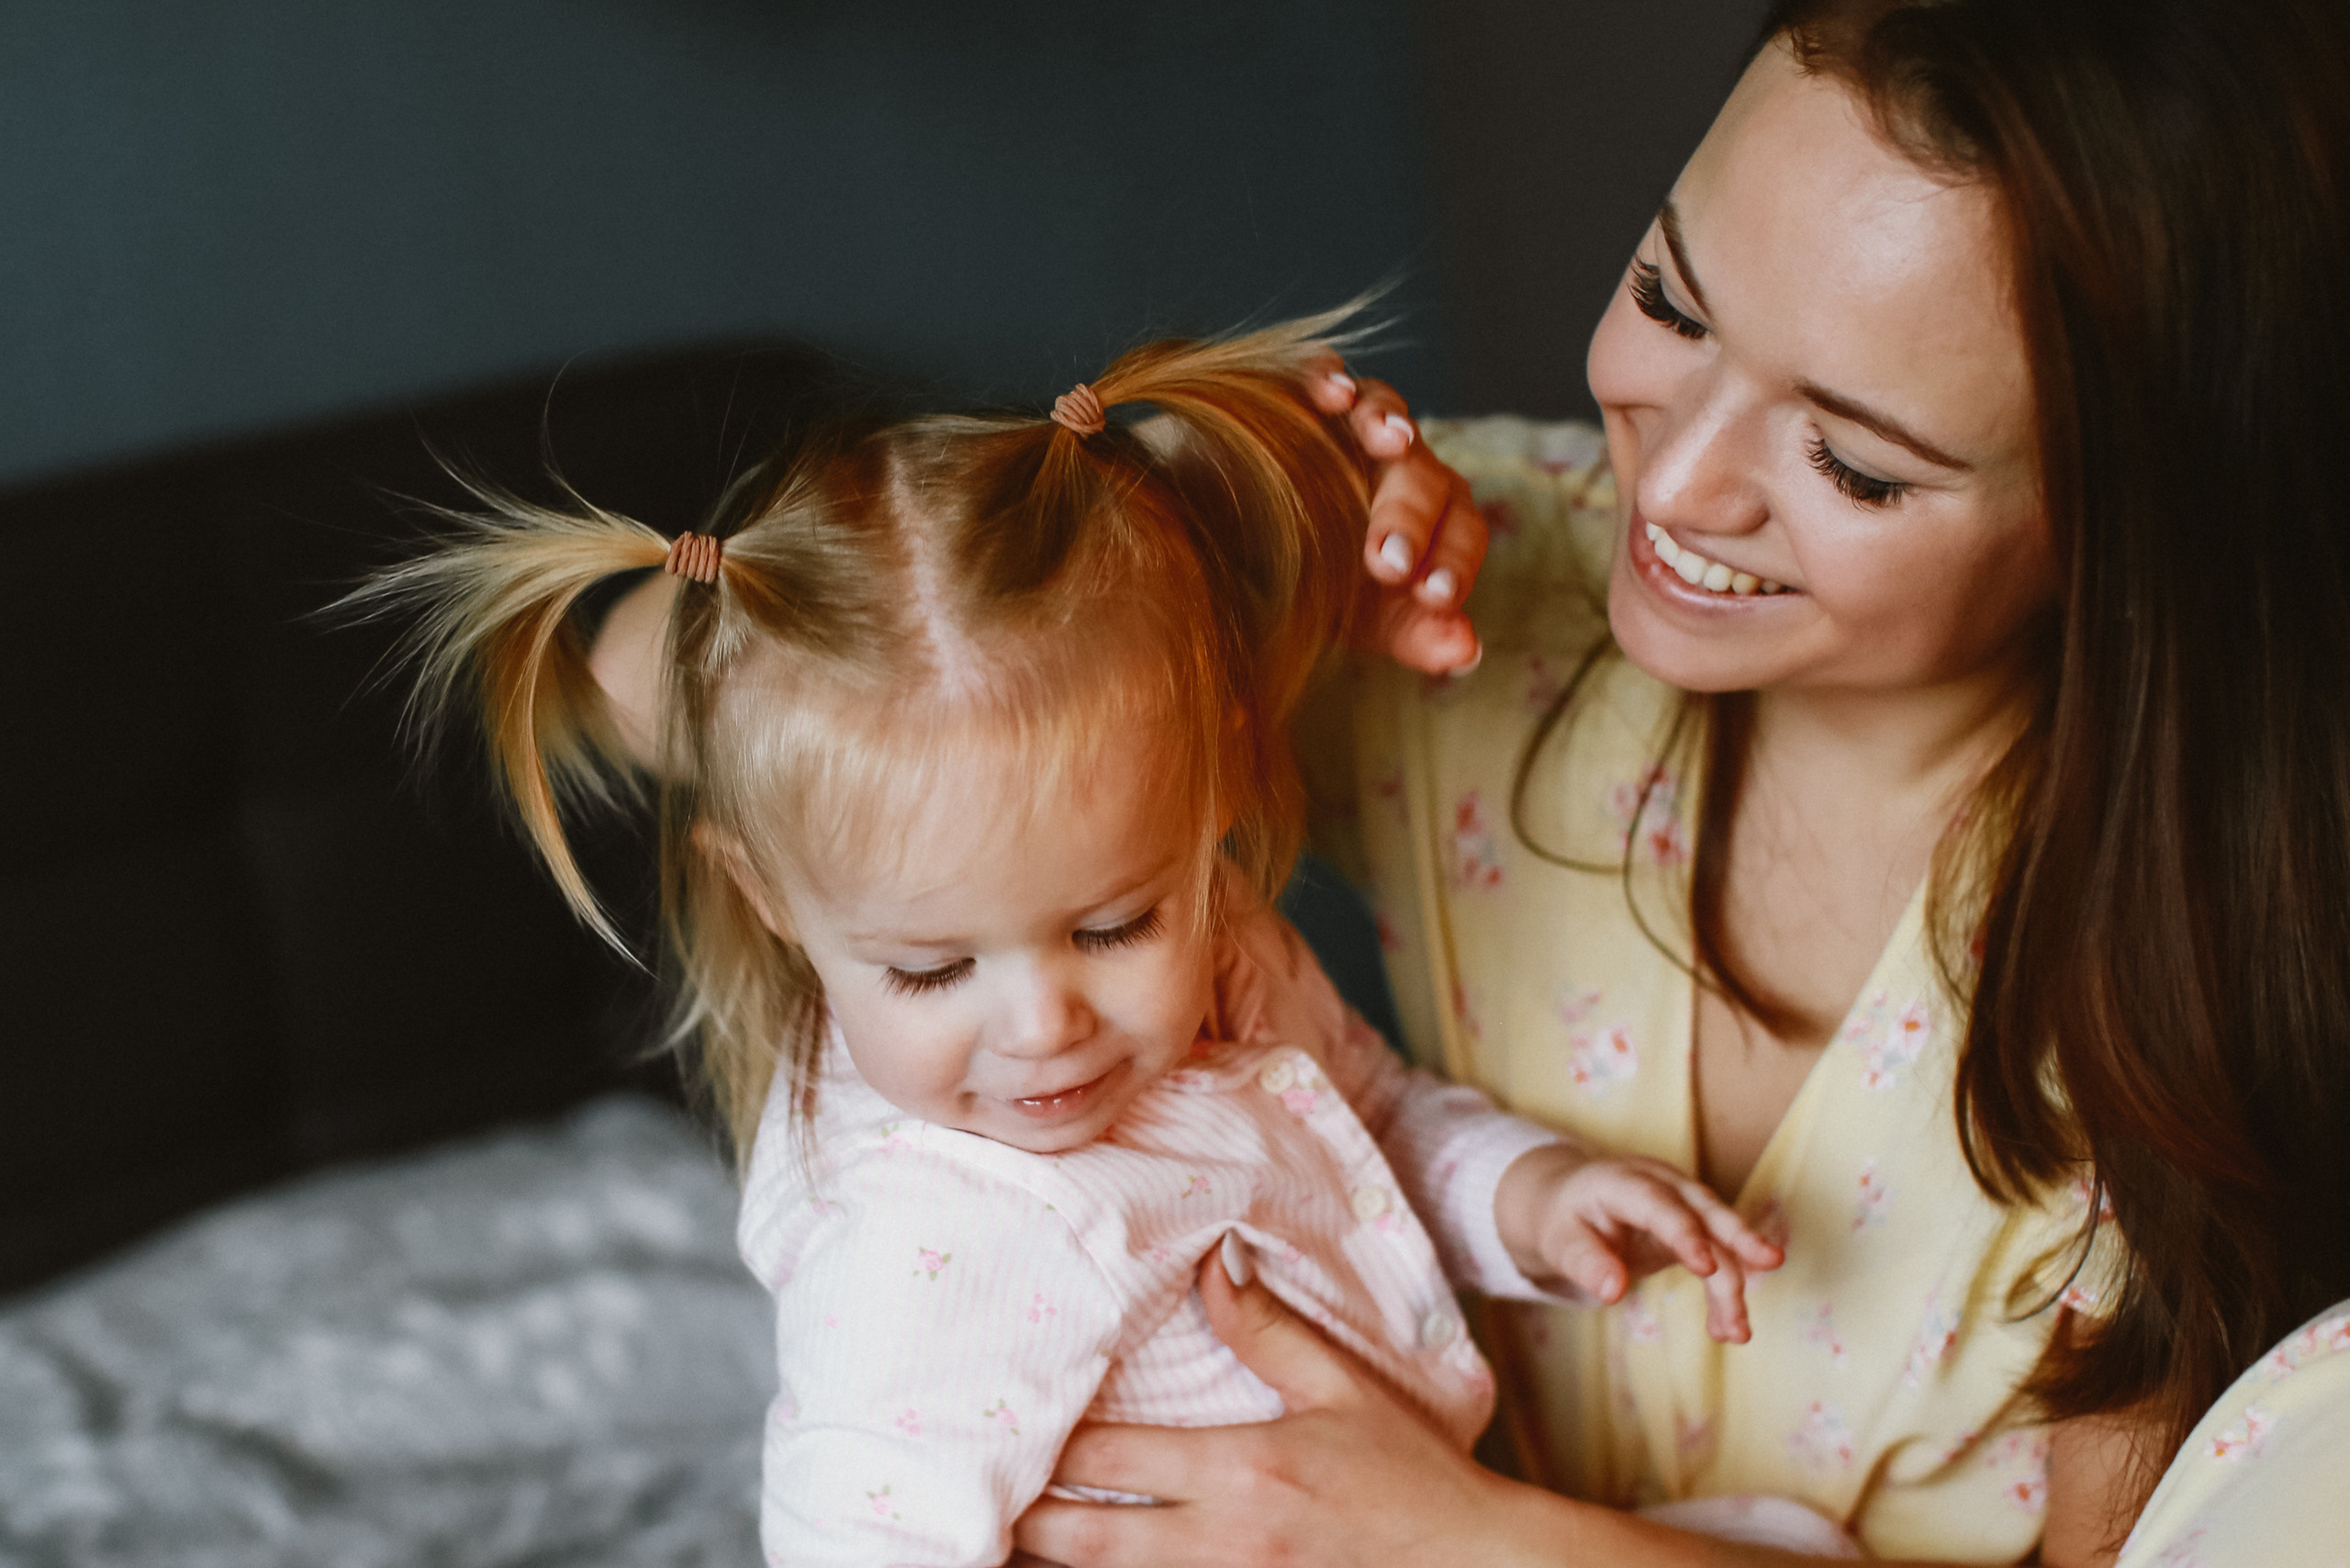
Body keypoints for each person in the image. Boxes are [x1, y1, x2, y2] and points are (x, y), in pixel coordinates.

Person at [1007, 1, 2350, 1564]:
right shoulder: (1483, 599)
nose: (1684, 480)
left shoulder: (2219, 967)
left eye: (1853, 464)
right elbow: (678, 672)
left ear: (2129, 529)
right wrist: (1154, 548)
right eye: (1672, 299)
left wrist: (1476, 1542)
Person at [345, 318, 1785, 1566]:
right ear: (774, 902)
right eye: (930, 969)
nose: (1045, 1026)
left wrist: (1532, 1196)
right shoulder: (934, 1240)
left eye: (1112, 924)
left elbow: (1374, 1119)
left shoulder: (1226, 959)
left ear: (1214, 797)